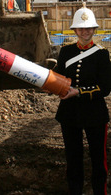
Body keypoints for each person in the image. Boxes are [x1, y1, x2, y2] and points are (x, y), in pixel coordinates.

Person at [55, 3, 111, 195]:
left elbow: (105, 88)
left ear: (94, 29)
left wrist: (78, 92)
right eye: (81, 27)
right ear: (75, 29)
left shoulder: (102, 54)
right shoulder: (66, 52)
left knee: (99, 160)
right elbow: (57, 75)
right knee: (73, 160)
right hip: (70, 114)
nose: (85, 31)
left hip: (95, 114)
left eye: (88, 28)